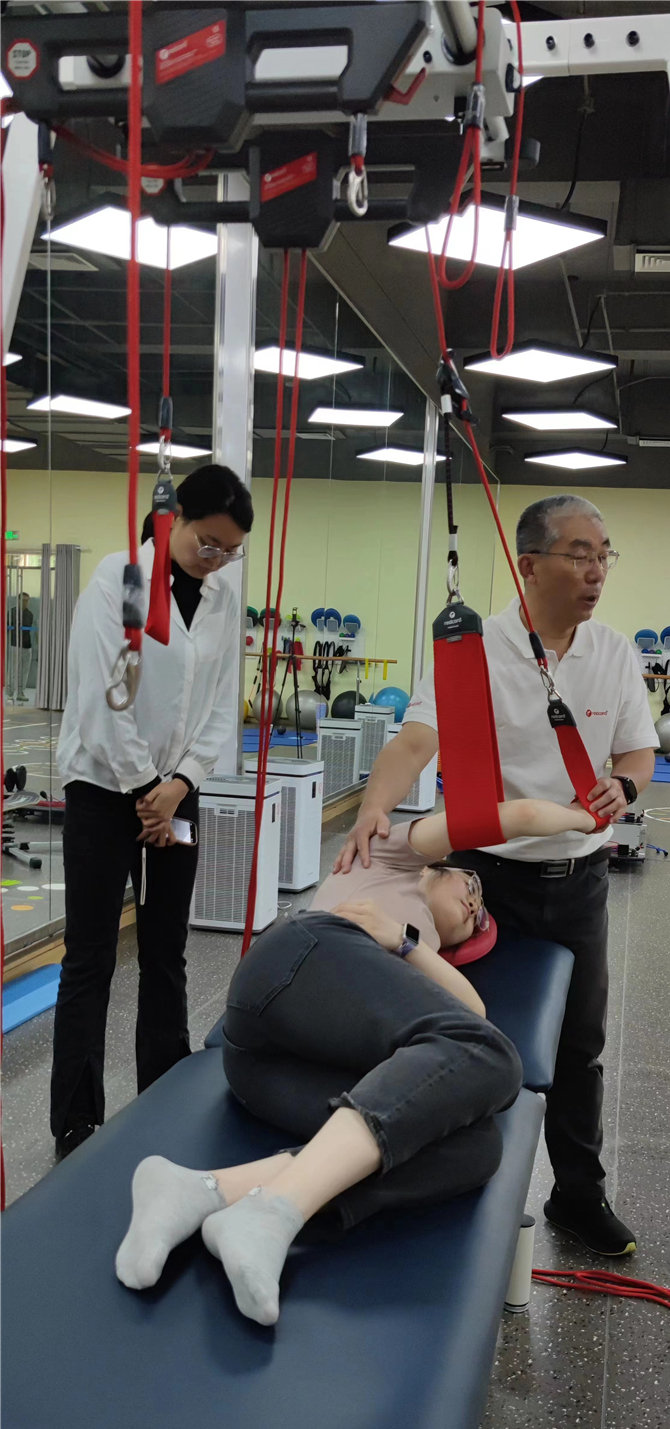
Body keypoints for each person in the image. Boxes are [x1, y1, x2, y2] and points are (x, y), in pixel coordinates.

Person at [115, 791, 597, 1325]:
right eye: (472, 888)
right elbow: (516, 815)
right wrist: (588, 817)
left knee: (476, 1148)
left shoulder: (414, 953)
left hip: (268, 1071)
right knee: (496, 1058)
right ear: (442, 867)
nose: (474, 907)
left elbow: (474, 1015)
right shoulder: (389, 856)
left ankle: (205, 1193)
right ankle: (275, 1212)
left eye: (476, 920)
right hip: (296, 959)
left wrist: (406, 942)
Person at [334, 494, 659, 1258]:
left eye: (604, 555)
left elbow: (638, 752)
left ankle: (577, 1194)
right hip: (484, 881)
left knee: (579, 1044)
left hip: (579, 879)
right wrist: (373, 806)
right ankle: (454, 1182)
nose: (596, 570)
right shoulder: (473, 651)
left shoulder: (614, 652)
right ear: (529, 565)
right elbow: (416, 740)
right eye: (580, 554)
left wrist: (626, 785)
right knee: (467, 1032)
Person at [51, 463, 253, 1160]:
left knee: (166, 949)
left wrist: (180, 784)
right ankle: (76, 1121)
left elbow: (221, 704)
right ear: (175, 521)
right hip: (104, 788)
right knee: (91, 955)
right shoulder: (124, 580)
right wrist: (148, 789)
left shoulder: (223, 599)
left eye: (231, 550)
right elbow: (103, 698)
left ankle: (164, 1097)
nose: (216, 559)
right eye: (207, 542)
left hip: (176, 790)